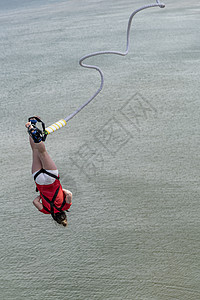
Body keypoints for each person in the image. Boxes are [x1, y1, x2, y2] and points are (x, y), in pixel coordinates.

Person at [25, 117, 72, 227]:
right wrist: (42, 196)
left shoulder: (66, 206)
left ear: (64, 214)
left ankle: (36, 135)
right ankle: (32, 126)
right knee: (35, 151)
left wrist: (61, 190)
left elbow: (69, 194)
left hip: (52, 179)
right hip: (40, 181)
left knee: (43, 151)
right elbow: (35, 202)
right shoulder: (46, 210)